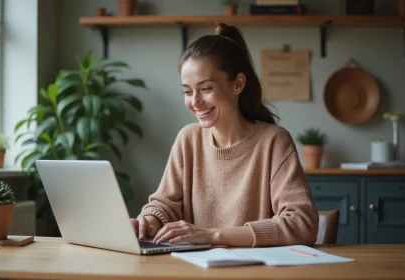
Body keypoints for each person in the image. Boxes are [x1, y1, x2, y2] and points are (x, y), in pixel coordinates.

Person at [130, 22, 319, 248]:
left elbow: (302, 223)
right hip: (194, 269)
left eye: (206, 89)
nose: (195, 102)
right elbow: (165, 203)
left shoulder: (274, 141)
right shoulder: (188, 139)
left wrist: (212, 235)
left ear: (237, 84)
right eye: (188, 91)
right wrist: (149, 221)